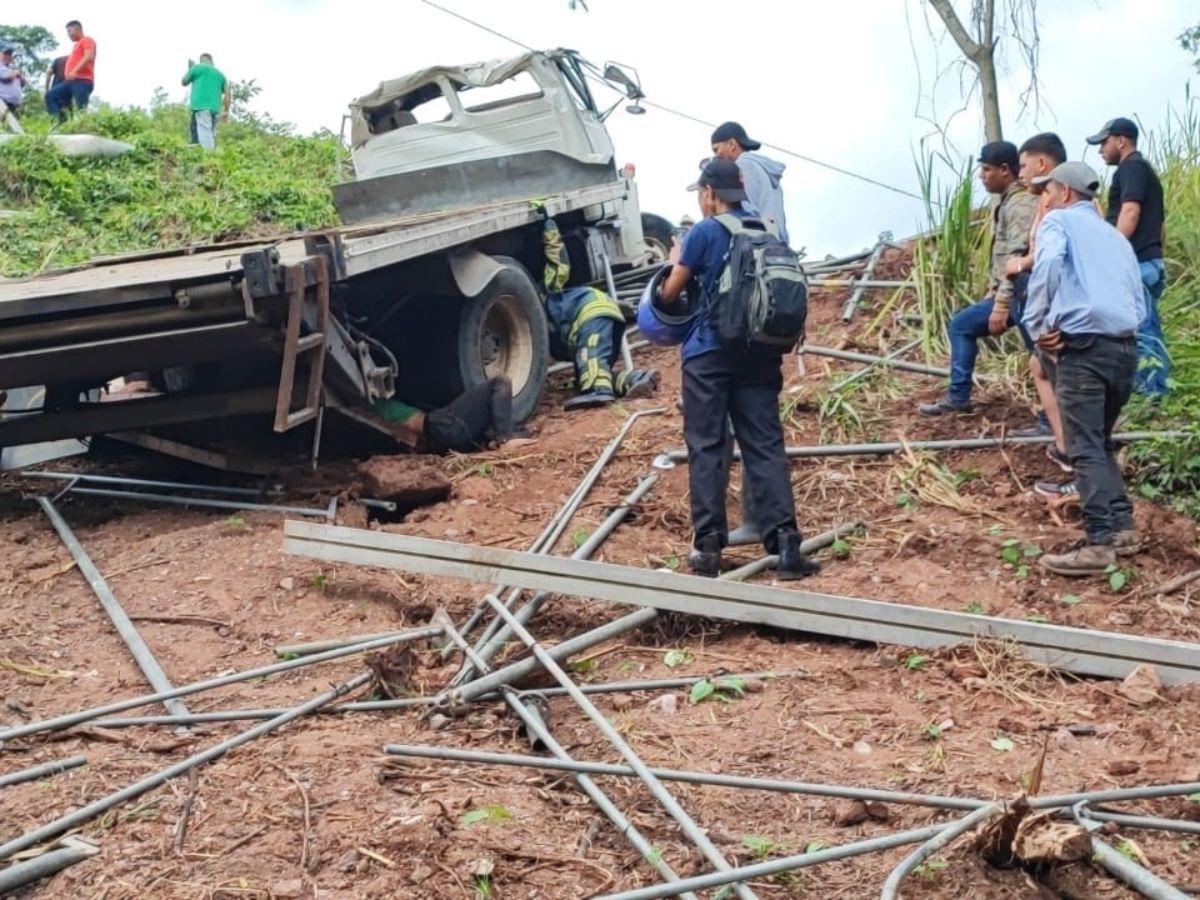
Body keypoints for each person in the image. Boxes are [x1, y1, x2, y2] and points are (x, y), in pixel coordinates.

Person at [655, 158, 818, 579]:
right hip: (760, 353)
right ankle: (787, 546)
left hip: (709, 355)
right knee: (765, 445)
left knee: (708, 446)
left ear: (709, 193)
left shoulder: (704, 232)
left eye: (700, 193)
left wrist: (675, 261)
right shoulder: (766, 230)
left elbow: (669, 295)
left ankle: (709, 548)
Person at [1021, 162, 1145, 576]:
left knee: (1085, 445)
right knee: (1101, 441)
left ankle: (1098, 544)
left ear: (1066, 193)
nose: (1045, 199)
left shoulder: (1059, 222)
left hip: (1085, 348)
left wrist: (1038, 326)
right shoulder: (1114, 237)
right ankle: (1123, 529)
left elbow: (1048, 267)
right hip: (1124, 348)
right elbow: (1137, 298)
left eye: (1048, 191)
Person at [920, 141, 1038, 416]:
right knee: (963, 324)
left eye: (986, 170)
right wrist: (994, 289)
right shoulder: (1010, 202)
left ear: (1005, 170)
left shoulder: (1020, 204)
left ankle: (1050, 418)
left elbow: (1019, 259)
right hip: (1011, 292)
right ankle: (958, 397)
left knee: (1041, 353)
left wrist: (1001, 303)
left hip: (1024, 293)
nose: (982, 176)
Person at [1002, 133, 1073, 474]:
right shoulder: (1064, 197)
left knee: (1052, 365)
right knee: (1042, 365)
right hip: (1065, 303)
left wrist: (1019, 265)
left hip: (1057, 302)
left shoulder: (1056, 200)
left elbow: (1049, 256)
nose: (1021, 174)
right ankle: (1069, 445)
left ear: (1042, 163)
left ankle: (1072, 448)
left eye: (1023, 165)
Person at [539, 212, 659, 409]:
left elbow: (559, 261)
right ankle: (636, 379)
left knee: (592, 373)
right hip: (604, 315)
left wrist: (548, 224)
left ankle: (598, 392)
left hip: (592, 316)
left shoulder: (549, 297)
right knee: (591, 375)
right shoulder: (546, 321)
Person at [1087, 117, 1169, 397]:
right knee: (1147, 328)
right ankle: (1153, 391)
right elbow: (1159, 224)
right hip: (1149, 260)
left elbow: (1130, 211)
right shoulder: (1142, 170)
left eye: (1104, 143)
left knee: (1142, 331)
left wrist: (1114, 252)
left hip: (1138, 264)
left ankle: (1151, 395)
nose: (1101, 150)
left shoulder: (1131, 168)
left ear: (1121, 140)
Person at [369, 377, 518, 454]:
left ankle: (494, 441)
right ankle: (504, 441)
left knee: (517, 430)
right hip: (439, 427)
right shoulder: (376, 404)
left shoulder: (373, 410)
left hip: (439, 442)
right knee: (501, 382)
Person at [709, 121, 789, 245]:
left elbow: (749, 212)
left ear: (732, 144)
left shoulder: (743, 166)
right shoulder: (764, 169)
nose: (715, 157)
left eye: (716, 149)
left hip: (758, 245)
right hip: (776, 246)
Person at [44, 20, 95, 122]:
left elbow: (89, 56)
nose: (68, 35)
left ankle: (84, 127)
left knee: (81, 109)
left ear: (77, 29)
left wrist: (75, 71)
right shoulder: (76, 45)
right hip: (70, 82)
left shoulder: (87, 40)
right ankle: (59, 123)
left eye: (69, 31)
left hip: (82, 81)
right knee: (50, 96)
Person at [182, 53, 231, 150]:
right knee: (197, 134)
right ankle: (195, 155)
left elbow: (184, 82)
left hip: (201, 108)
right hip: (214, 110)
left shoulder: (197, 68)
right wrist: (226, 110)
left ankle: (209, 158)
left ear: (201, 60)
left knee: (205, 137)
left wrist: (191, 70)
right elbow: (228, 94)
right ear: (211, 61)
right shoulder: (220, 74)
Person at [0, 44, 27, 118]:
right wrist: (16, 73)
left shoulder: (12, 67)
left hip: (14, 104)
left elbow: (23, 83)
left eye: (10, 54)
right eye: (5, 54)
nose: (8, 56)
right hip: (3, 101)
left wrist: (19, 74)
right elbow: (7, 78)